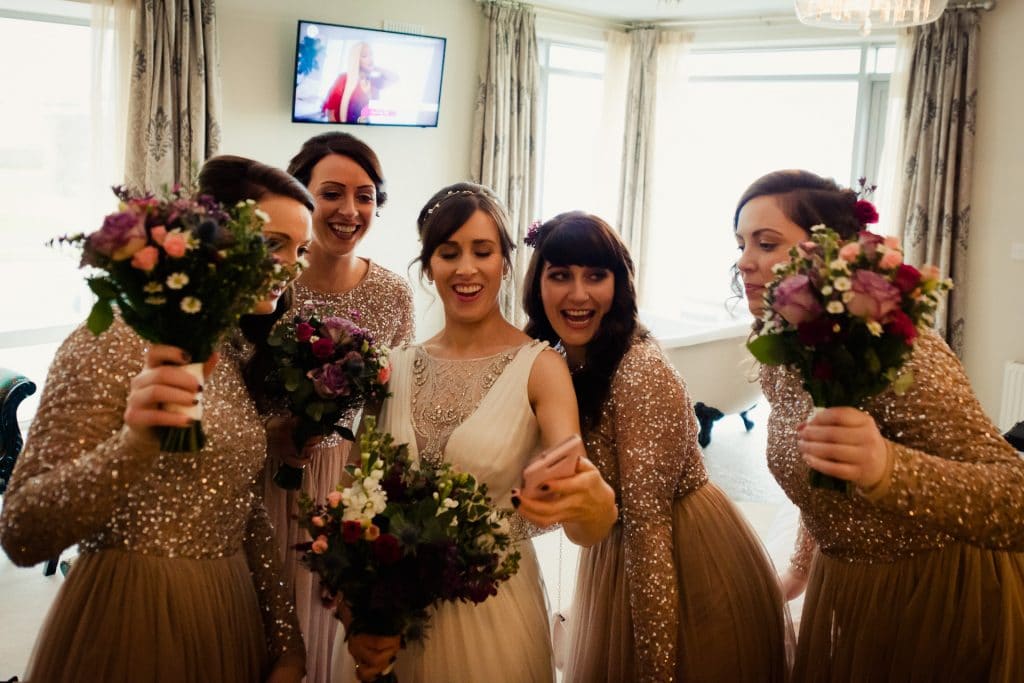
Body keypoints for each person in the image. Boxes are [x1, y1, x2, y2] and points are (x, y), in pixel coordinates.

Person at [0, 155, 313, 683]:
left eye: (301, 250)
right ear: (214, 237)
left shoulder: (229, 350)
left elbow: (240, 506)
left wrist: (286, 642)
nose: (293, 266)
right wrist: (135, 443)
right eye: (274, 244)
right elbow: (21, 532)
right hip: (131, 615)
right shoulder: (108, 342)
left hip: (227, 615)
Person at [735, 169, 1024, 681]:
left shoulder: (904, 352)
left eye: (766, 242)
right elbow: (818, 482)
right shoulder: (782, 349)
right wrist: (800, 569)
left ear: (830, 253)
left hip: (934, 596)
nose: (744, 261)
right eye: (741, 244)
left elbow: (1013, 498)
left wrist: (888, 467)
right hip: (849, 585)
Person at [331, 182, 618, 683]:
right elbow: (351, 497)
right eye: (449, 253)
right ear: (428, 267)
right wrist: (355, 612)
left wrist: (590, 500)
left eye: (482, 251)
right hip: (393, 617)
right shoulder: (393, 367)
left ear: (505, 263)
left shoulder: (541, 367)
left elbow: (582, 519)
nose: (466, 268)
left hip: (494, 613)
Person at [522, 211, 792, 682]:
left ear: (619, 284)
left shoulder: (639, 371)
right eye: (560, 275)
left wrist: (657, 673)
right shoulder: (556, 361)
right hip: (614, 548)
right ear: (537, 285)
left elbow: (648, 531)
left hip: (682, 560)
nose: (578, 294)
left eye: (595, 276)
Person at [254, 132, 414, 683]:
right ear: (302, 199)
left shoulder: (392, 293)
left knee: (328, 634)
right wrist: (274, 432)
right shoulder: (270, 282)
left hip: (345, 490)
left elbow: (392, 412)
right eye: (331, 194)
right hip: (262, 481)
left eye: (365, 196)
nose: (350, 210)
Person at [321, 42, 396, 124]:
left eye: (371, 55)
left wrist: (375, 68)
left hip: (366, 128)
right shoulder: (344, 79)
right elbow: (331, 112)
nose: (370, 59)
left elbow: (394, 78)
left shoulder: (372, 81)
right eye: (364, 56)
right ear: (356, 59)